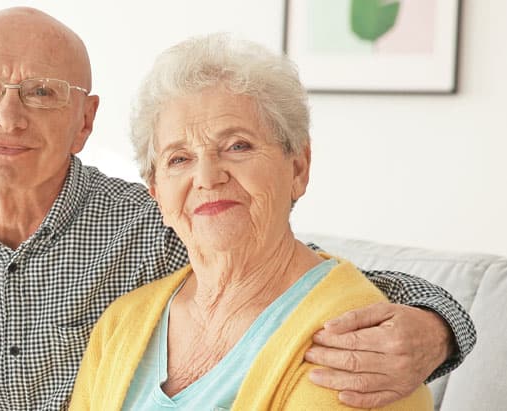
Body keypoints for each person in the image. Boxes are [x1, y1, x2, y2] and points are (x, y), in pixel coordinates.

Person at [0, 7, 473, 410]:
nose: (6, 117)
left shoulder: (158, 222)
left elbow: (290, 283)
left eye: (41, 93)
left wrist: (437, 326)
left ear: (85, 121)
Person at [69, 34, 434, 410]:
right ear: (156, 192)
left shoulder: (355, 340)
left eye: (237, 146)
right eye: (179, 158)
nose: (208, 177)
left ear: (298, 167)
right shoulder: (122, 322)